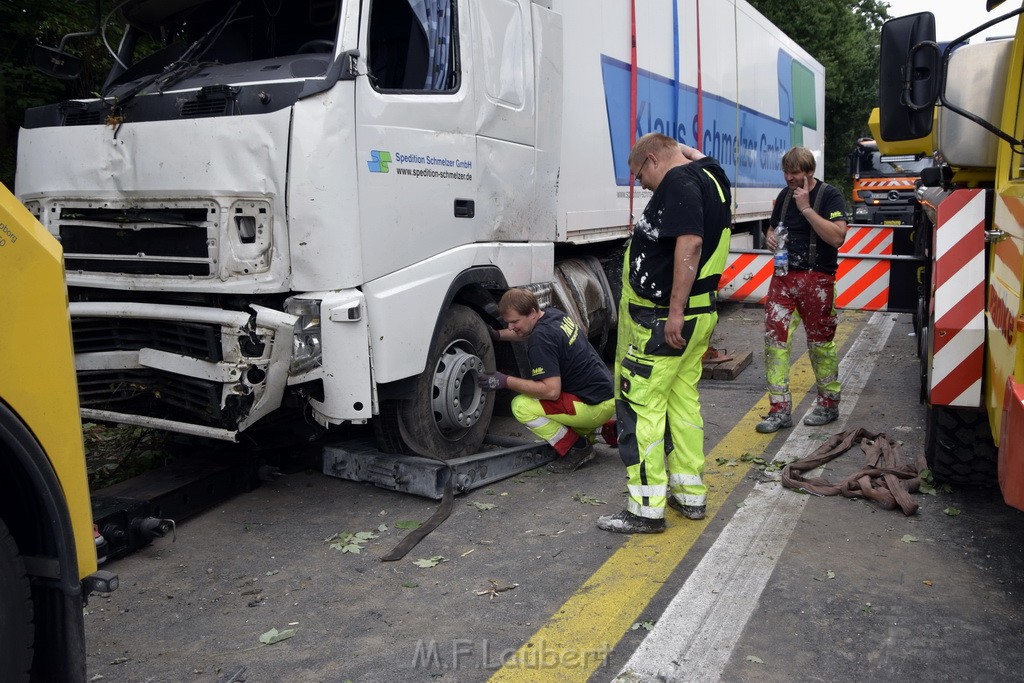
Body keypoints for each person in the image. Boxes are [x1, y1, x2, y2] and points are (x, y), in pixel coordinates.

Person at [597, 133, 732, 534]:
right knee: (682, 404)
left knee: (641, 408)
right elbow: (697, 155)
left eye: (640, 175)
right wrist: (682, 151)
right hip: (700, 316)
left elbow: (689, 244)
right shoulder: (713, 176)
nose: (642, 186)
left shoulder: (678, 183)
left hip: (666, 321)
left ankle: (645, 508)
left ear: (654, 160)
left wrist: (674, 312)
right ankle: (689, 494)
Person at [755, 146, 849, 434]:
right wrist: (770, 237)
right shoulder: (784, 196)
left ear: (808, 171)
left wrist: (806, 208)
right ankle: (779, 409)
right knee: (775, 343)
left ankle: (828, 403)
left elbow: (837, 237)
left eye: (794, 173)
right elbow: (771, 228)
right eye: (786, 172)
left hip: (817, 279)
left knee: (820, 343)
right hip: (783, 277)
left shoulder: (829, 195)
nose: (789, 178)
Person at [477, 288, 616, 473]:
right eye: (508, 323)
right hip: (604, 395)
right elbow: (524, 333)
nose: (511, 327)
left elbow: (551, 391)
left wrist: (505, 381)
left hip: (593, 407)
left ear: (532, 313)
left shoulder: (540, 341)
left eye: (514, 321)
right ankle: (605, 430)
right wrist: (498, 335)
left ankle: (577, 447)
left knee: (521, 405)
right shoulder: (552, 315)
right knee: (544, 396)